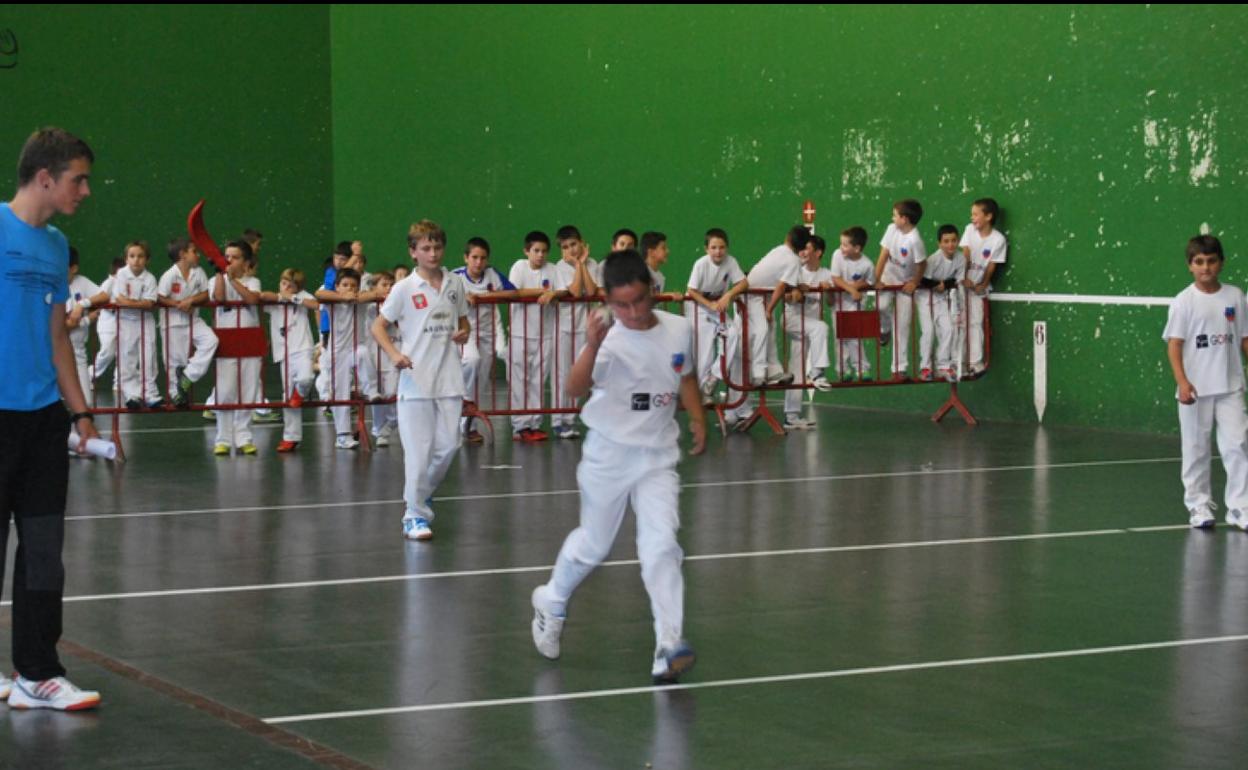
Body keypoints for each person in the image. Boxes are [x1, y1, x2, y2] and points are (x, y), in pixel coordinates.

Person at [530, 249, 706, 684]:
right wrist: (591, 343)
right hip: (608, 455)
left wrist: (698, 416)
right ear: (608, 300)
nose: (632, 312)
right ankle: (551, 599)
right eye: (621, 304)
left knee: (662, 547)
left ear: (653, 291)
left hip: (657, 458)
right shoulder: (607, 339)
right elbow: (574, 389)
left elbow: (683, 375)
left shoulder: (680, 328)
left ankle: (668, 645)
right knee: (594, 545)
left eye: (640, 301)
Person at [0, 126, 101, 710]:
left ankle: (37, 673)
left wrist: (81, 413)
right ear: (45, 178)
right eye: (77, 179)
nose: (85, 190)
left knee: (44, 551)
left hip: (42, 421)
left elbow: (57, 337)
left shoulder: (56, 245)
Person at [372, 219, 470, 541]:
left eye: (437, 247)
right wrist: (394, 355)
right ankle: (414, 515)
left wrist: (464, 331)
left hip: (450, 379)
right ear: (413, 252)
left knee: (450, 446)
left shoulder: (455, 283)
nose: (433, 253)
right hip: (415, 381)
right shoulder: (403, 289)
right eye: (425, 248)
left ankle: (420, 493)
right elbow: (378, 327)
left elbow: (464, 320)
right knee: (419, 452)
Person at [1163, 235, 1248, 530]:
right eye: (1199, 262)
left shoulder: (1236, 296)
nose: (1206, 267)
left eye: (1211, 261)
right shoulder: (1183, 302)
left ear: (1221, 263)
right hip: (1195, 390)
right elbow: (1174, 346)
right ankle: (1198, 506)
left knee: (1238, 445)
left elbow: (1245, 339)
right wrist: (1183, 382)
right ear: (1190, 266)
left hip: (1231, 386)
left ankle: (1239, 508)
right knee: (1196, 449)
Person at [452, 237, 516, 443]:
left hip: (487, 333)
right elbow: (441, 298)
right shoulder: (454, 277)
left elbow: (512, 291)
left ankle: (468, 427)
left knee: (481, 380)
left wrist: (486, 296)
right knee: (471, 360)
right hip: (464, 332)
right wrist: (464, 297)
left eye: (483, 258)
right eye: (474, 257)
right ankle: (465, 401)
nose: (479, 262)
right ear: (466, 258)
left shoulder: (492, 274)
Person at [507, 231, 563, 442]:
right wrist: (542, 292)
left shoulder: (553, 269)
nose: (540, 255)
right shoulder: (518, 267)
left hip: (545, 334)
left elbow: (560, 293)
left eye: (544, 251)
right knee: (520, 380)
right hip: (520, 334)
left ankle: (535, 424)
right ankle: (520, 426)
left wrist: (554, 294)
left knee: (538, 380)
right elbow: (513, 292)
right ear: (526, 251)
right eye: (536, 251)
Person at [315, 268, 379, 449]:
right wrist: (343, 297)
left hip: (354, 348)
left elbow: (374, 294)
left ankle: (371, 389)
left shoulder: (360, 301)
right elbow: (318, 293)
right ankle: (342, 436)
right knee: (340, 392)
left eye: (353, 285)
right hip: (337, 353)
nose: (349, 288)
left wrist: (357, 297)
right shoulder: (331, 302)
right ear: (337, 286)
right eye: (344, 285)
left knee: (363, 353)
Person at [685, 228, 747, 409]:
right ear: (706, 249)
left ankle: (713, 378)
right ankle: (703, 395)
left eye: (721, 247)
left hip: (716, 305)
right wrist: (709, 304)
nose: (718, 251)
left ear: (726, 248)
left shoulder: (731, 261)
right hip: (697, 306)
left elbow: (743, 282)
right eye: (713, 247)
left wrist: (728, 296)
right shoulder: (700, 264)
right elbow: (691, 290)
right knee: (704, 351)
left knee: (733, 333)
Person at [212, 241, 262, 456]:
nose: (229, 260)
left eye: (235, 257)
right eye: (226, 256)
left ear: (246, 262)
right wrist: (221, 275)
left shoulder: (253, 281)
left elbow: (251, 299)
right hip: (227, 338)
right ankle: (222, 439)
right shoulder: (217, 280)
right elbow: (220, 298)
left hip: (250, 338)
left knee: (248, 389)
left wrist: (234, 280)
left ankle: (244, 437)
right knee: (225, 390)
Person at [551, 225, 600, 440]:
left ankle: (570, 419)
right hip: (563, 327)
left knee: (580, 374)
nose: (570, 249)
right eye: (565, 246)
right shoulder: (559, 267)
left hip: (584, 327)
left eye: (573, 244)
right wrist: (578, 264)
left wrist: (581, 264)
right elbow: (574, 290)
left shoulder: (593, 264)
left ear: (582, 243)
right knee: (562, 373)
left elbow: (590, 291)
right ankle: (557, 420)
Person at [745, 225, 810, 387]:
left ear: (788, 238)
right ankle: (758, 374)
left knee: (770, 330)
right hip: (751, 296)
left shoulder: (780, 250)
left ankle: (774, 371)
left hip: (762, 297)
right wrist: (768, 310)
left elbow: (781, 285)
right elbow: (781, 287)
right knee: (762, 330)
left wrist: (797, 286)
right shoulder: (792, 260)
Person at [260, 268, 317, 453]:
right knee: (287, 397)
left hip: (303, 348)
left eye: (289, 285)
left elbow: (315, 304)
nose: (285, 287)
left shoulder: (302, 296)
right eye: (283, 282)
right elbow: (261, 298)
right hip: (283, 354)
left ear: (297, 288)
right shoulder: (276, 299)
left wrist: (292, 298)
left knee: (306, 379)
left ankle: (298, 395)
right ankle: (290, 438)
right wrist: (280, 297)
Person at [158, 237, 219, 407]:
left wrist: (191, 300)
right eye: (194, 251)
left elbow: (205, 295)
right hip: (173, 323)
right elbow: (161, 297)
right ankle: (175, 395)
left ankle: (188, 375)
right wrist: (179, 304)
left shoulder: (198, 272)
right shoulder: (169, 275)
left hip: (193, 319)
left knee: (211, 340)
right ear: (182, 254)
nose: (198, 255)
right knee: (175, 361)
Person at [782, 234, 834, 430]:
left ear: (818, 253)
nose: (802, 252)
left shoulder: (827, 274)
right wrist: (798, 293)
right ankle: (818, 373)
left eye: (807, 249)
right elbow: (786, 297)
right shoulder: (796, 272)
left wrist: (827, 290)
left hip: (808, 328)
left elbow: (830, 303)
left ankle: (791, 416)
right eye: (801, 249)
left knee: (796, 369)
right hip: (793, 321)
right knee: (822, 327)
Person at [874, 198, 927, 381]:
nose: (892, 217)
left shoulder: (915, 240)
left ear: (904, 219)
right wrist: (876, 279)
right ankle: (884, 328)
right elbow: (883, 256)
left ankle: (899, 368)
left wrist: (915, 282)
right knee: (880, 306)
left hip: (905, 285)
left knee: (903, 324)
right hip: (888, 278)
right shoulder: (891, 229)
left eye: (895, 215)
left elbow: (922, 264)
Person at [111, 240, 162, 409]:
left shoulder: (150, 278)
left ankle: (150, 394)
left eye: (140, 256)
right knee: (127, 357)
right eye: (132, 256)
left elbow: (149, 303)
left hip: (145, 320)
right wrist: (137, 303)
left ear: (147, 259)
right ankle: (132, 394)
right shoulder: (121, 275)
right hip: (126, 321)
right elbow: (119, 299)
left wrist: (130, 302)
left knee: (149, 356)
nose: (136, 260)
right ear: (126, 259)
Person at [960, 197, 1008, 375]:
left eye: (975, 214)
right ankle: (960, 363)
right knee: (959, 324)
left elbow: (992, 265)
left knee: (976, 322)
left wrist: (984, 283)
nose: (972, 217)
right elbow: (965, 254)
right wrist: (963, 277)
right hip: (960, 285)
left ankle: (975, 363)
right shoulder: (969, 230)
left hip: (978, 290)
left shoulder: (998, 240)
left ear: (988, 216)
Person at [916, 225, 967, 382]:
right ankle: (925, 367)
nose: (950, 244)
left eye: (953, 240)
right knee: (929, 331)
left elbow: (958, 280)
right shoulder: (933, 260)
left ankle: (943, 366)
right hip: (925, 298)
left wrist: (944, 284)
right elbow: (921, 280)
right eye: (946, 241)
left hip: (942, 298)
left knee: (949, 329)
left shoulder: (961, 258)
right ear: (939, 243)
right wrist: (936, 285)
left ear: (958, 241)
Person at [829, 226, 874, 382]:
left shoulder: (867, 264)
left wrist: (858, 287)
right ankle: (843, 369)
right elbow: (836, 278)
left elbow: (870, 281)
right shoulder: (837, 255)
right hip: (839, 302)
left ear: (857, 248)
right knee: (840, 337)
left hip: (856, 303)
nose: (842, 248)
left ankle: (862, 369)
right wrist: (852, 289)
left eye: (845, 245)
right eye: (841, 244)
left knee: (854, 336)